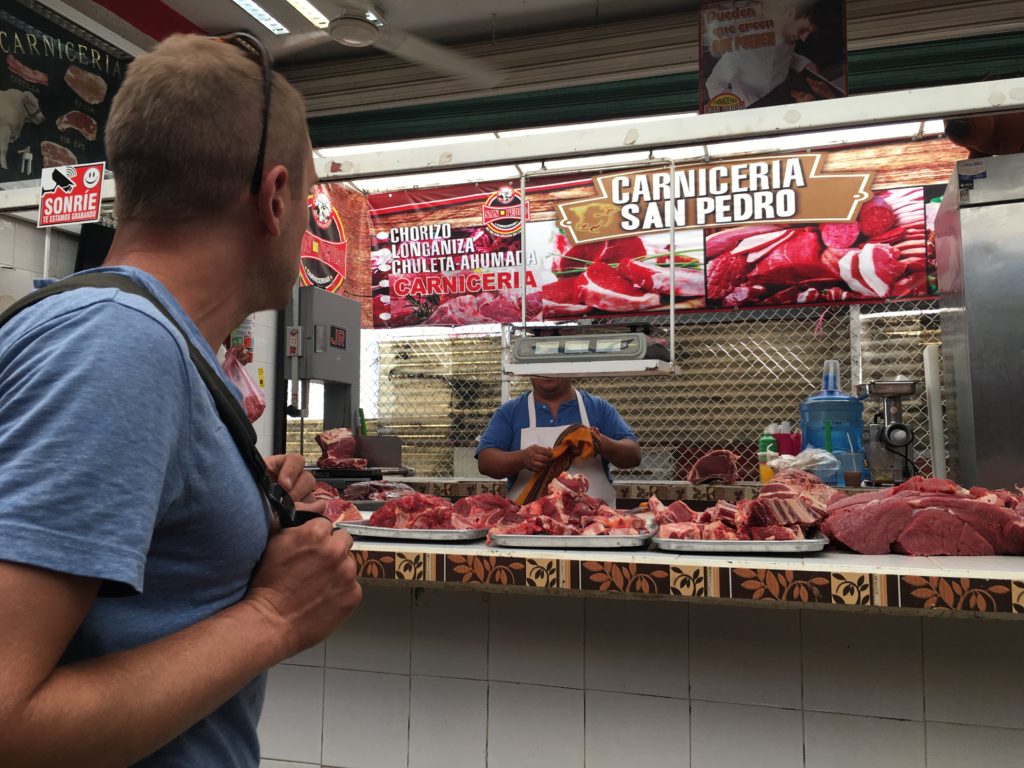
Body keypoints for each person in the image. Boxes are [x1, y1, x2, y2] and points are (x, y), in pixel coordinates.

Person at [0, 34, 361, 767]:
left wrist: (238, 497)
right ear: (276, 197)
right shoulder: (118, 347)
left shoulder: (134, 336)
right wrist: (275, 617)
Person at [476, 376, 641, 505]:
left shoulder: (598, 408)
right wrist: (522, 458)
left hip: (593, 525)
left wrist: (599, 442)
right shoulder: (510, 412)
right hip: (528, 525)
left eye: (552, 364)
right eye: (540, 366)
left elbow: (633, 455)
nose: (547, 373)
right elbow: (486, 461)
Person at [703, 1, 824, 110]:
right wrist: (736, 108)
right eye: (803, 30)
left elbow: (788, 57)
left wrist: (806, 64)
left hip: (781, 101)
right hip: (752, 109)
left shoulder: (788, 39)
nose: (804, 38)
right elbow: (714, 83)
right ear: (791, 14)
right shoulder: (744, 48)